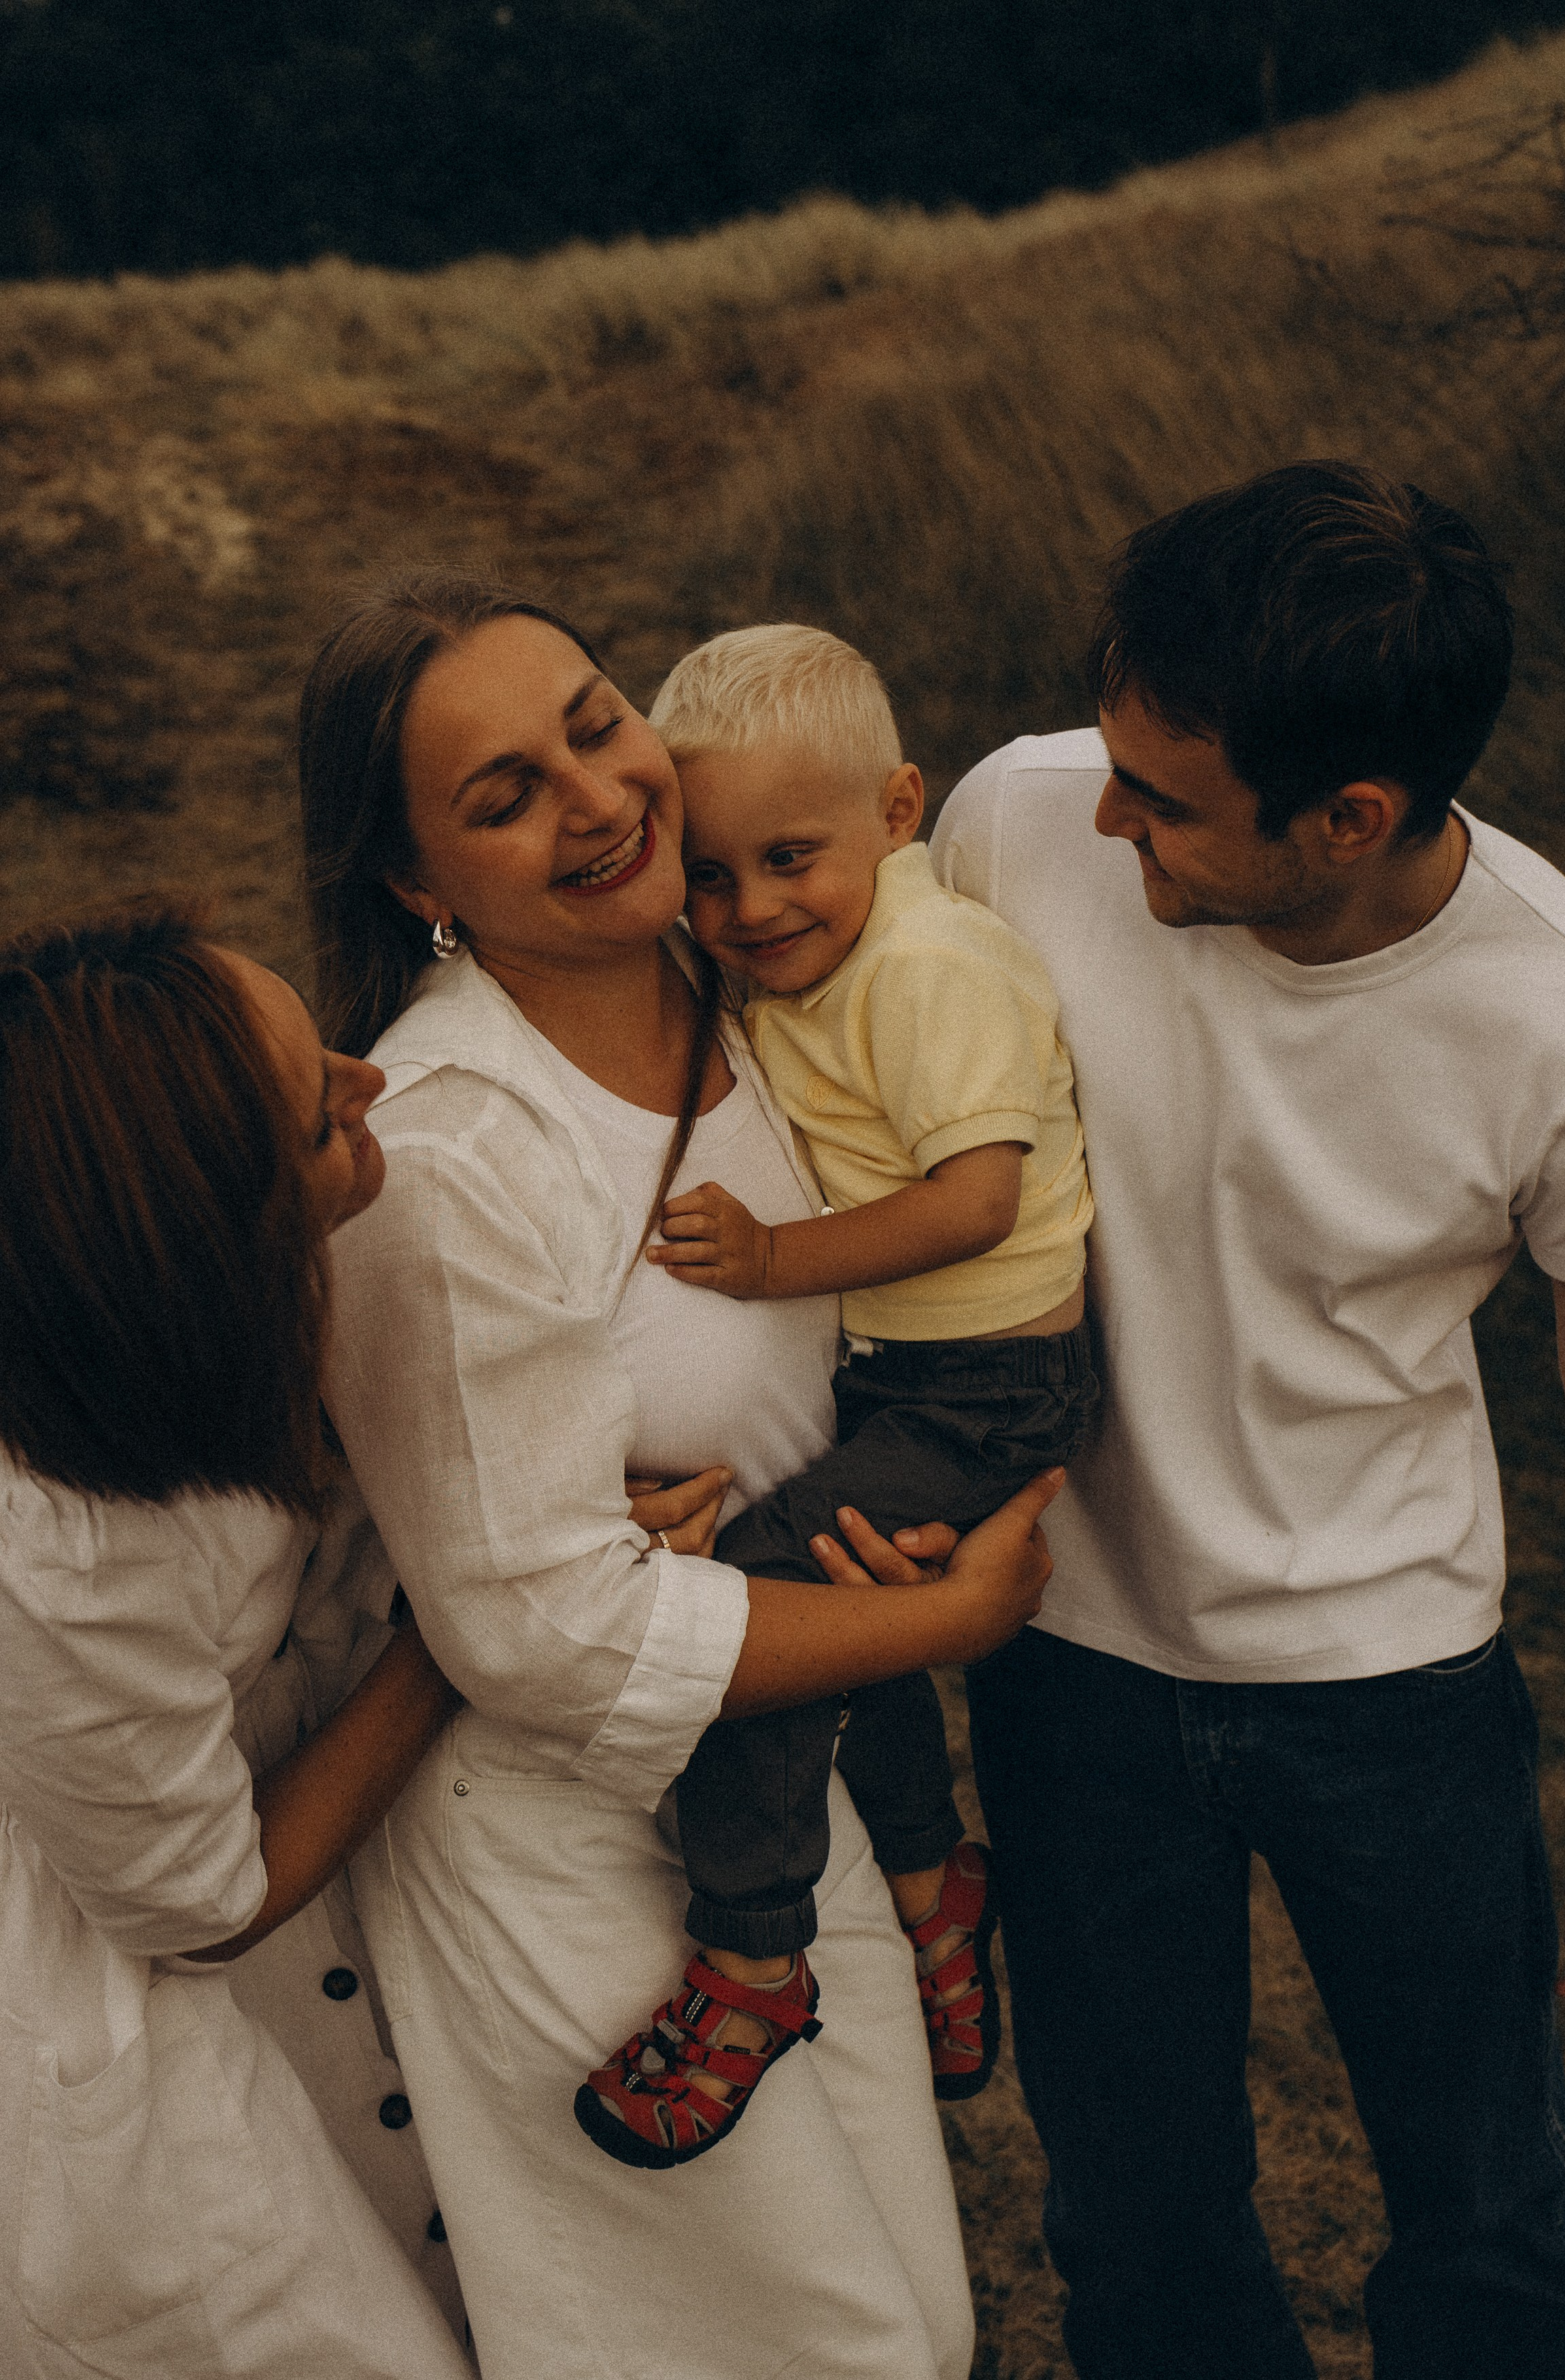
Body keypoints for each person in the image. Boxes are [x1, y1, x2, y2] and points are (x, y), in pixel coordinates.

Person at [298, 569, 1059, 2380]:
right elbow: (536, 1633)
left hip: (785, 1789)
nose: (595, 795)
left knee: (908, 2319)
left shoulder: (769, 982)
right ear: (417, 885)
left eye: (590, 722)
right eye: (503, 796)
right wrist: (945, 1614)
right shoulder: (450, 1148)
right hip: (568, 1841)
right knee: (795, 2345)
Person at [931, 458, 1565, 2380]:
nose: (1099, 809)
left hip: (1397, 1685)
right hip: (1068, 1662)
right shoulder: (1015, 815)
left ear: (1349, 816)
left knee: (1484, 2219)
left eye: (1164, 798)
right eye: (1113, 756)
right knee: (1132, 2231)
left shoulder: (1553, 1013)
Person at [567, 623, 1095, 2166]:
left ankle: (749, 1954)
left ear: (898, 806)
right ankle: (935, 1891)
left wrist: (771, 1259)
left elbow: (975, 1203)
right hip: (920, 1379)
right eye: (713, 875)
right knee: (843, 1636)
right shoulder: (821, 951)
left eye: (789, 856)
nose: (750, 909)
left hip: (985, 1388)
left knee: (756, 1625)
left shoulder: (927, 966)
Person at [0, 899, 472, 2380]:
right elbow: (194, 1902)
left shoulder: (209, 1323)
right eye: (317, 1115)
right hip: (149, 1970)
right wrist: (467, 1636)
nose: (371, 1079)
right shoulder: (58, 1555)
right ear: (221, 1245)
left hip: (317, 1828)